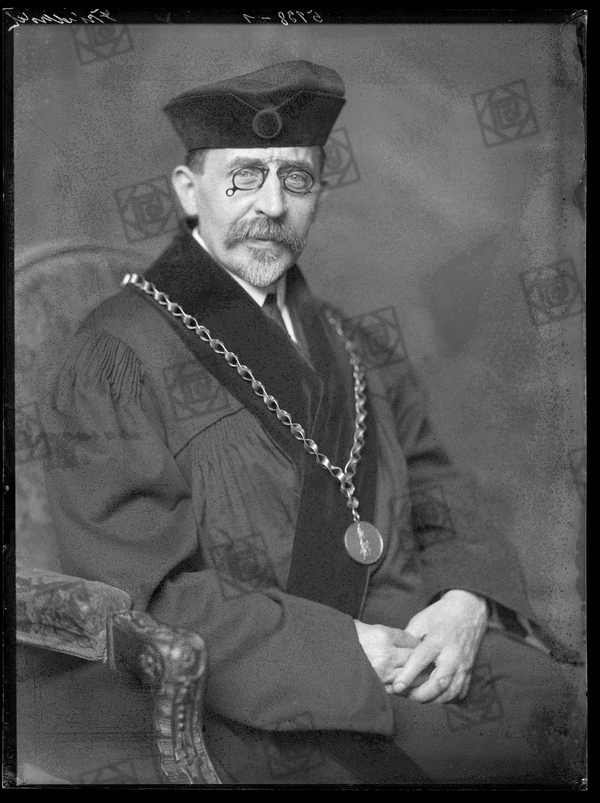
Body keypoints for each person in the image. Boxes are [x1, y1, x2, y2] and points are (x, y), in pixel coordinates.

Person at [41, 60, 577, 785]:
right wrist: (344, 655)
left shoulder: (355, 344)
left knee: (560, 705)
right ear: (188, 191)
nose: (272, 203)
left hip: (416, 642)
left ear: (319, 192)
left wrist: (464, 602)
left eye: (295, 178)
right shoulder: (117, 357)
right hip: (264, 692)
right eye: (245, 176)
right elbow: (148, 595)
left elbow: (436, 488)